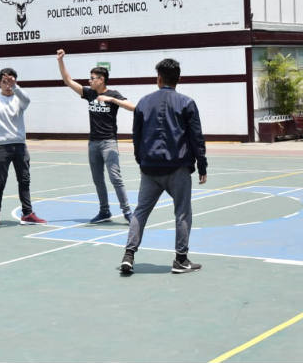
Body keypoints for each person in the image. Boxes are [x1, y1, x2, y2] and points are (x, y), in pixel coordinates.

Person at [119, 58, 208, 274]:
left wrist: (141, 160)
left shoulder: (143, 102)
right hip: (178, 168)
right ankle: (180, 260)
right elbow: (196, 137)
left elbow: (136, 137)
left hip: (149, 169)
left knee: (140, 212)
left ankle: (129, 255)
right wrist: (202, 166)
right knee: (182, 213)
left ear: (158, 78)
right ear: (178, 79)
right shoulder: (187, 103)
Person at [56, 49, 133, 223]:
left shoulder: (113, 94)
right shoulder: (90, 94)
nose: (89, 80)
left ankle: (127, 212)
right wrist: (61, 61)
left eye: (92, 78)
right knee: (98, 180)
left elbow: (132, 107)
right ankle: (104, 211)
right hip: (93, 144)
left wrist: (112, 100)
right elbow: (68, 81)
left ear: (101, 79)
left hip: (109, 143)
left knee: (115, 177)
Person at [0, 68, 45, 227]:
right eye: (4, 82)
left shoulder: (19, 99)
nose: (7, 85)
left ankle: (27, 214)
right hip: (1, 148)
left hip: (20, 146)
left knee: (24, 180)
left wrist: (16, 86)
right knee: (0, 182)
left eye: (10, 81)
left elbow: (27, 100)